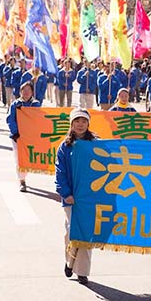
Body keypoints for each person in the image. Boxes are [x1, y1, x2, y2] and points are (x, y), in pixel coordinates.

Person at [55, 108, 96, 285]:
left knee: (86, 234)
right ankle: (70, 262)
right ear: (72, 124)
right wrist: (66, 193)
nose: (80, 125)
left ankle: (83, 272)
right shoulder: (65, 146)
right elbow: (60, 172)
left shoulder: (96, 143)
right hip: (71, 197)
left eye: (84, 121)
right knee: (71, 232)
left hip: (89, 198)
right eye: (77, 121)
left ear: (88, 124)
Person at [6, 81, 41, 191]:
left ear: (32, 92)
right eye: (24, 90)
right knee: (19, 159)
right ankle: (22, 181)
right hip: (17, 137)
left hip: (30, 136)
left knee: (28, 158)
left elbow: (39, 119)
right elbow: (10, 119)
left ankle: (23, 175)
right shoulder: (15, 104)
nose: (26, 93)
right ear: (20, 91)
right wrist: (16, 132)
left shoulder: (35, 104)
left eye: (28, 90)